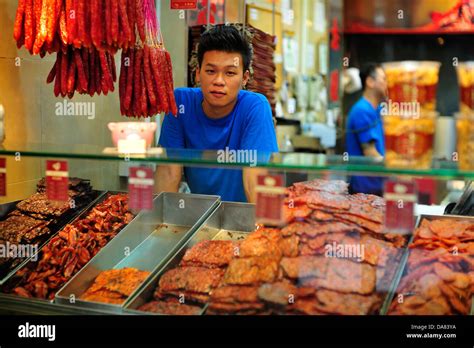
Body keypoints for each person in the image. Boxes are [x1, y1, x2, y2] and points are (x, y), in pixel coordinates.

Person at [155, 25, 278, 203]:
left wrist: (261, 229)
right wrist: (158, 225)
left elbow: (255, 179)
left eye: (230, 73)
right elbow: (168, 173)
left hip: (246, 216)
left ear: (244, 79)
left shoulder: (255, 107)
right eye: (211, 71)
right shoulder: (180, 103)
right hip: (202, 215)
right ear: (197, 74)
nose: (219, 81)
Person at [345, 62, 387, 196]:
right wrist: (397, 170)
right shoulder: (362, 110)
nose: (388, 84)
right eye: (384, 79)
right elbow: (371, 153)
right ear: (370, 81)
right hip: (365, 192)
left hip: (378, 188)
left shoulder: (377, 110)